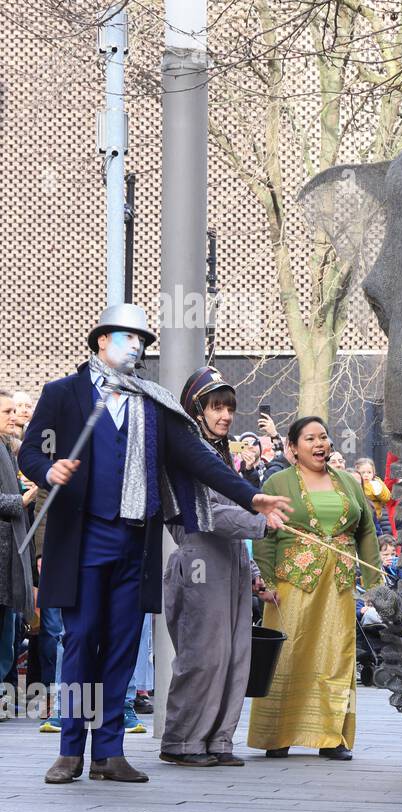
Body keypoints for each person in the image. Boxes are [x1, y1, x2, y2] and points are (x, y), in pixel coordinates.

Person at [17, 303, 291, 785]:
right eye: (127, 338)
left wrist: (252, 497)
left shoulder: (152, 400)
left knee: (122, 646)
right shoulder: (63, 393)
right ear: (102, 341)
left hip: (133, 542)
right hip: (82, 540)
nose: (137, 347)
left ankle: (109, 752)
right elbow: (33, 447)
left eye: (142, 340)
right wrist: (47, 469)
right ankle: (70, 750)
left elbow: (198, 459)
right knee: (81, 642)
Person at [160, 368, 274, 767]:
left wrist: (256, 575)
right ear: (196, 409)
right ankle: (184, 741)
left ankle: (218, 741)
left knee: (235, 655)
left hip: (234, 565)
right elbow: (204, 514)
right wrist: (263, 523)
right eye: (216, 407)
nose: (225, 415)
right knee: (203, 656)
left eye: (229, 407)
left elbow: (237, 515)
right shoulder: (186, 455)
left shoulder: (224, 455)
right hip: (198, 564)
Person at [249, 416, 381, 760]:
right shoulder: (277, 482)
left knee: (337, 655)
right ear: (292, 448)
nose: (320, 444)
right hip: (291, 584)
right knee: (288, 656)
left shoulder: (349, 483)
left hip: (338, 586)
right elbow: (265, 534)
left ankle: (331, 735)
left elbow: (366, 531)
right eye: (310, 439)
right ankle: (277, 734)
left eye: (323, 437)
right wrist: (266, 580)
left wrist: (375, 584)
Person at [0, 391, 34, 712]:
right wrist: (20, 501)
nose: (14, 416)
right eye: (7, 411)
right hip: (3, 559)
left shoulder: (8, 449)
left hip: (11, 557)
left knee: (9, 635)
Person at [355, 457, 392, 535]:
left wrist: (378, 491)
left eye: (369, 472)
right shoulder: (357, 483)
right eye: (363, 472)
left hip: (376, 517)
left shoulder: (377, 482)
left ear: (373, 473)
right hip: (362, 519)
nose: (366, 475)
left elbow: (387, 497)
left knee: (378, 535)